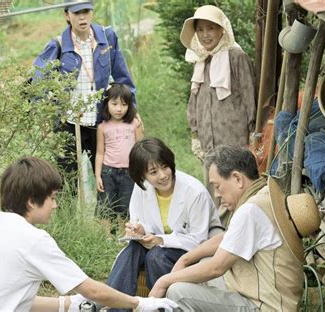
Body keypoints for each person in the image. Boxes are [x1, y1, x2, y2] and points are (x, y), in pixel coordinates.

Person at [0, 157, 177, 311]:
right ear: (31, 201)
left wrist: (68, 304)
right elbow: (92, 290)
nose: (55, 205)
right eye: (52, 198)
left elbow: (14, 298)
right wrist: (141, 303)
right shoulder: (32, 239)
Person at [148, 145, 321, 311]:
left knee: (178, 292)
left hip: (264, 306)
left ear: (237, 179)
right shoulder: (262, 195)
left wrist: (163, 281)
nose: (216, 194)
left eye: (217, 186)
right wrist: (184, 259)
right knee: (202, 263)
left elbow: (217, 267)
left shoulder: (250, 211)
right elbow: (227, 238)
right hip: (268, 295)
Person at [106, 137, 222, 311]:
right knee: (132, 250)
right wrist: (140, 229)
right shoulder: (142, 188)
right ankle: (114, 306)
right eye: (153, 172)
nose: (162, 175)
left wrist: (160, 241)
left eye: (165, 167)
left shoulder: (194, 192)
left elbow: (198, 240)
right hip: (160, 246)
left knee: (156, 257)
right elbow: (140, 221)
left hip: (195, 250)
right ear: (142, 176)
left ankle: (164, 307)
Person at [33, 0, 137, 180]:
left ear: (91, 12)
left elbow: (122, 77)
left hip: (100, 122)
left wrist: (133, 109)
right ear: (67, 15)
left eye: (86, 11)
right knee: (68, 180)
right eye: (76, 13)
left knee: (106, 178)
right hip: (69, 124)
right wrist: (42, 115)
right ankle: (70, 209)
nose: (82, 17)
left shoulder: (107, 38)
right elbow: (37, 81)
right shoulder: (58, 45)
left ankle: (106, 209)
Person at [180, 5, 257, 226]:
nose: (205, 35)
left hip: (234, 137)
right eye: (201, 29)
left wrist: (252, 131)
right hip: (209, 139)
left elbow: (248, 94)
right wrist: (195, 133)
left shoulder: (235, 56)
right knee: (215, 190)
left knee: (236, 189)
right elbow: (194, 100)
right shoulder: (201, 59)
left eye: (211, 29)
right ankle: (218, 239)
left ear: (222, 30)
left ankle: (238, 236)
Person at [95, 83, 143, 220]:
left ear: (129, 106)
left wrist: (140, 172)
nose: (119, 109)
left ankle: (123, 239)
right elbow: (100, 153)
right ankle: (105, 238)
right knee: (105, 206)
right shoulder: (103, 127)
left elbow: (140, 150)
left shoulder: (135, 124)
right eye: (114, 104)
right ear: (107, 104)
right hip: (108, 172)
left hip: (129, 172)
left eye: (123, 104)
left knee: (126, 207)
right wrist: (98, 175)